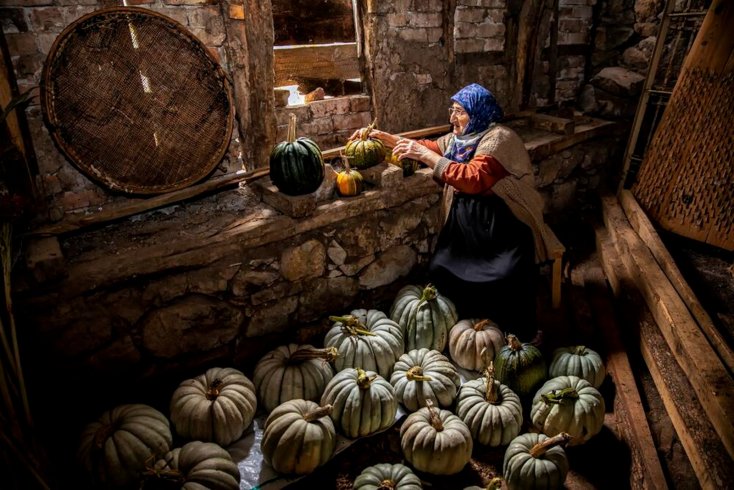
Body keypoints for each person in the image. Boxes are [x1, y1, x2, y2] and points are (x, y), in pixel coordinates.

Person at [351, 83, 554, 344]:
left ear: (478, 112)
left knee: (505, 276)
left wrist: (425, 155)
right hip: (466, 225)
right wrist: (384, 139)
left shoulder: (499, 139)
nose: (452, 118)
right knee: (442, 269)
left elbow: (472, 179)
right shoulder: (460, 139)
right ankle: (466, 330)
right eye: (452, 110)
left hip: (503, 224)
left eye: (459, 111)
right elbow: (427, 147)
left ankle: (516, 336)